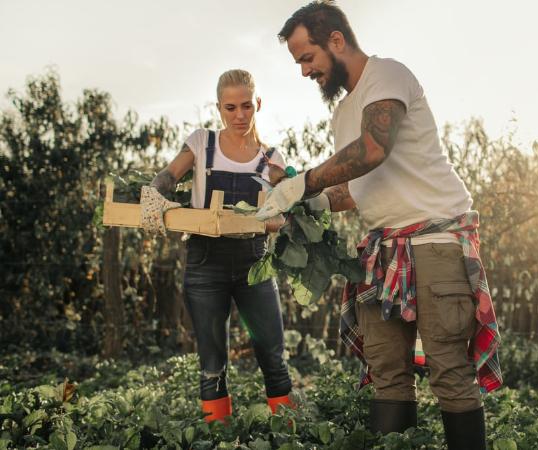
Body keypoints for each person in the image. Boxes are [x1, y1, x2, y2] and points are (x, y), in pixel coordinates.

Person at [257, 3, 502, 448]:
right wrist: (294, 205)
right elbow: (356, 189)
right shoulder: (341, 114)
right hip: (382, 251)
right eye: (298, 63)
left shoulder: (387, 74)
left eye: (307, 58)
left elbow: (373, 148)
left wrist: (304, 183)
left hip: (434, 243)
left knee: (448, 369)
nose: (304, 71)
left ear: (335, 40)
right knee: (387, 373)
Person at [140, 69, 293, 424]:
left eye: (246, 106)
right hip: (205, 262)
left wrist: (278, 220)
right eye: (230, 108)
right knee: (212, 362)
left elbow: (288, 211)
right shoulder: (201, 143)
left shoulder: (272, 160)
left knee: (273, 354)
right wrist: (152, 193)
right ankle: (218, 436)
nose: (239, 115)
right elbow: (168, 176)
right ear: (219, 108)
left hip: (254, 263)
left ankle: (290, 434)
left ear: (258, 104)